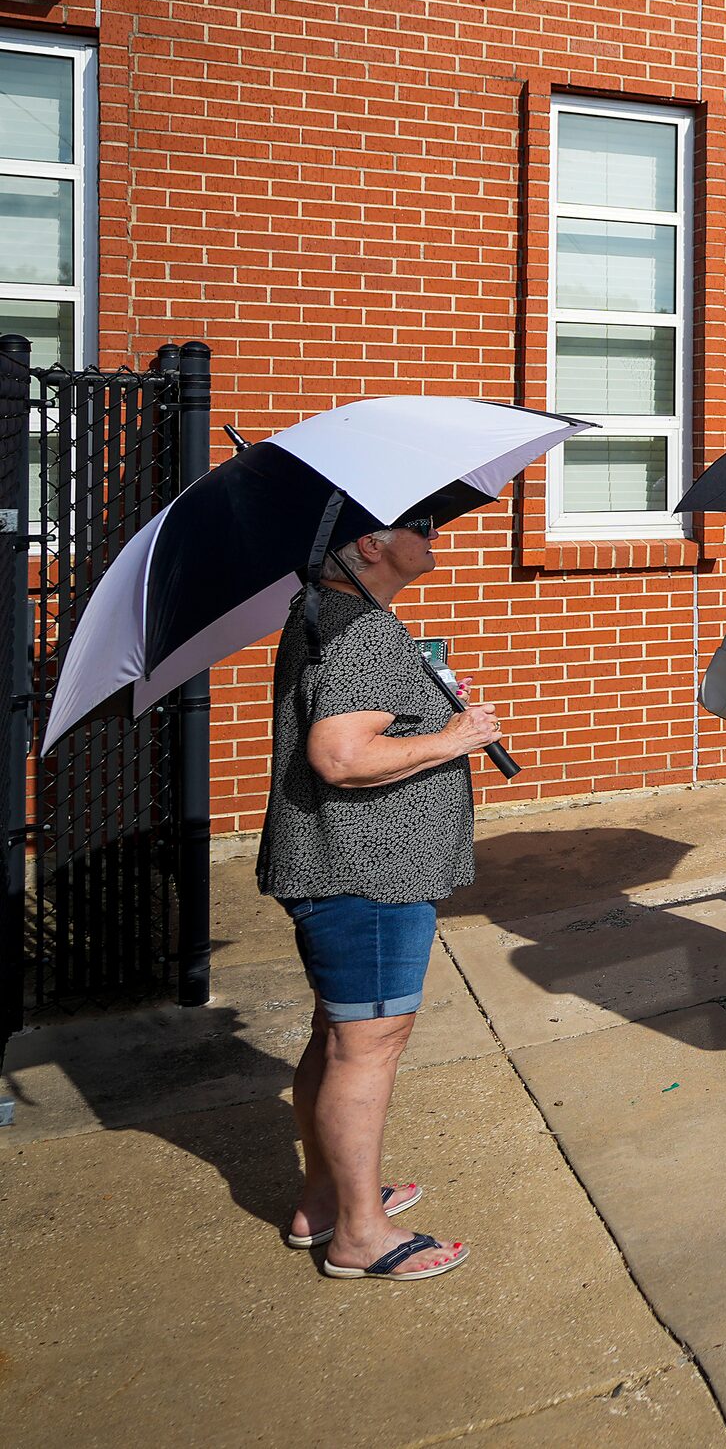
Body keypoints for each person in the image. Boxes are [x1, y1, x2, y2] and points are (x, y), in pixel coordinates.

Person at [261, 509, 498, 1282]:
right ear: (370, 543)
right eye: (419, 523)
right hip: (368, 874)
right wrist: (453, 738)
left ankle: (325, 1199)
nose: (436, 534)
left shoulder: (323, 615)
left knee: (339, 1036)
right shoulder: (360, 631)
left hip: (342, 866)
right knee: (368, 1046)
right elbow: (340, 754)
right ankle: (359, 1235)